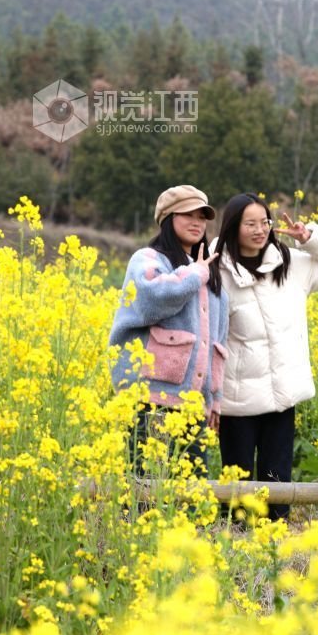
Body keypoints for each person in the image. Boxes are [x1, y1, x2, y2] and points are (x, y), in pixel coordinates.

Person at [214, 193, 318, 520]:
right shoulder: (216, 272)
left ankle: (276, 542)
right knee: (239, 487)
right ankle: (236, 550)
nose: (260, 230)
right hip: (238, 400)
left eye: (265, 222)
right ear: (234, 227)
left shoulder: (290, 264)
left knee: (278, 478)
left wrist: (311, 239)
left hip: (283, 395)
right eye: (250, 224)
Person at [110, 185, 229, 477]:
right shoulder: (148, 259)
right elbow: (152, 300)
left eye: (202, 216)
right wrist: (196, 273)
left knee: (191, 488)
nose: (197, 222)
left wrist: (214, 398)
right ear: (167, 217)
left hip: (193, 401)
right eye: (187, 214)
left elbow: (217, 340)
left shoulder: (207, 269)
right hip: (150, 395)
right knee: (144, 484)